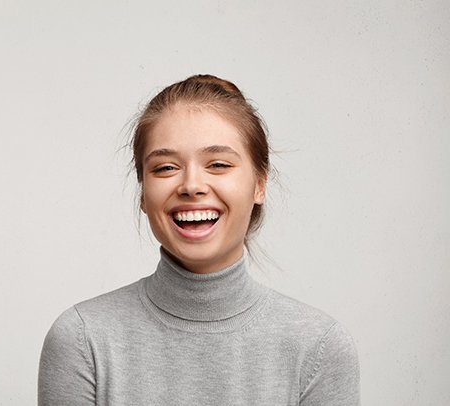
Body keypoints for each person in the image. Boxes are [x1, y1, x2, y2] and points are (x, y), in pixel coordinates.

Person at [38, 74, 360, 405]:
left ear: (259, 184)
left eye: (218, 164)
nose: (192, 185)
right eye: (165, 168)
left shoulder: (319, 347)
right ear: (143, 195)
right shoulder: (82, 339)